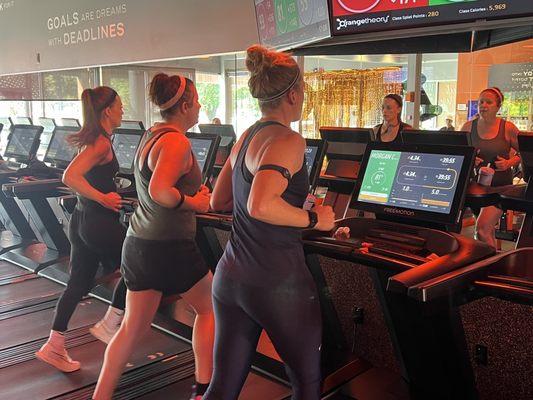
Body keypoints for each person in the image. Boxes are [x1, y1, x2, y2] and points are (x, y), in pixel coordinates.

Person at [204, 45, 335, 400]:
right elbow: (260, 204)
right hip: (277, 283)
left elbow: (220, 201)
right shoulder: (288, 139)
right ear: (293, 94)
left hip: (231, 278)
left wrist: (291, 202)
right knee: (306, 385)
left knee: (223, 385)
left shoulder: (246, 136)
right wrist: (314, 219)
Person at [93, 73, 214, 400]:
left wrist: (191, 192)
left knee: (131, 328)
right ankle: (203, 390)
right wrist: (197, 203)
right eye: (198, 100)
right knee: (210, 309)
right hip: (169, 248)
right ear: (185, 105)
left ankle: (100, 396)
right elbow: (161, 190)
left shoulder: (151, 134)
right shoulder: (176, 141)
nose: (201, 106)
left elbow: (155, 185)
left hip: (139, 244)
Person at [35, 86, 128, 372]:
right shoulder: (100, 143)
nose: (123, 110)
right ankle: (111, 322)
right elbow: (70, 175)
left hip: (82, 220)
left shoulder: (93, 139)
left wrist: (101, 193)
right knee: (139, 263)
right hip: (97, 222)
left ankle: (54, 345)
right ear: (108, 110)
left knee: (77, 282)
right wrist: (103, 196)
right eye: (120, 105)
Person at [461, 87, 521, 248]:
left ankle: (489, 268)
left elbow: (526, 152)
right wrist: (470, 159)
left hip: (499, 189)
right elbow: (459, 155)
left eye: (489, 102)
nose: (483, 105)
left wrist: (509, 163)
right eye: (481, 102)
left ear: (498, 107)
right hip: (475, 189)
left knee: (482, 229)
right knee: (484, 232)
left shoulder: (508, 128)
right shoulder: (468, 127)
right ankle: (494, 259)